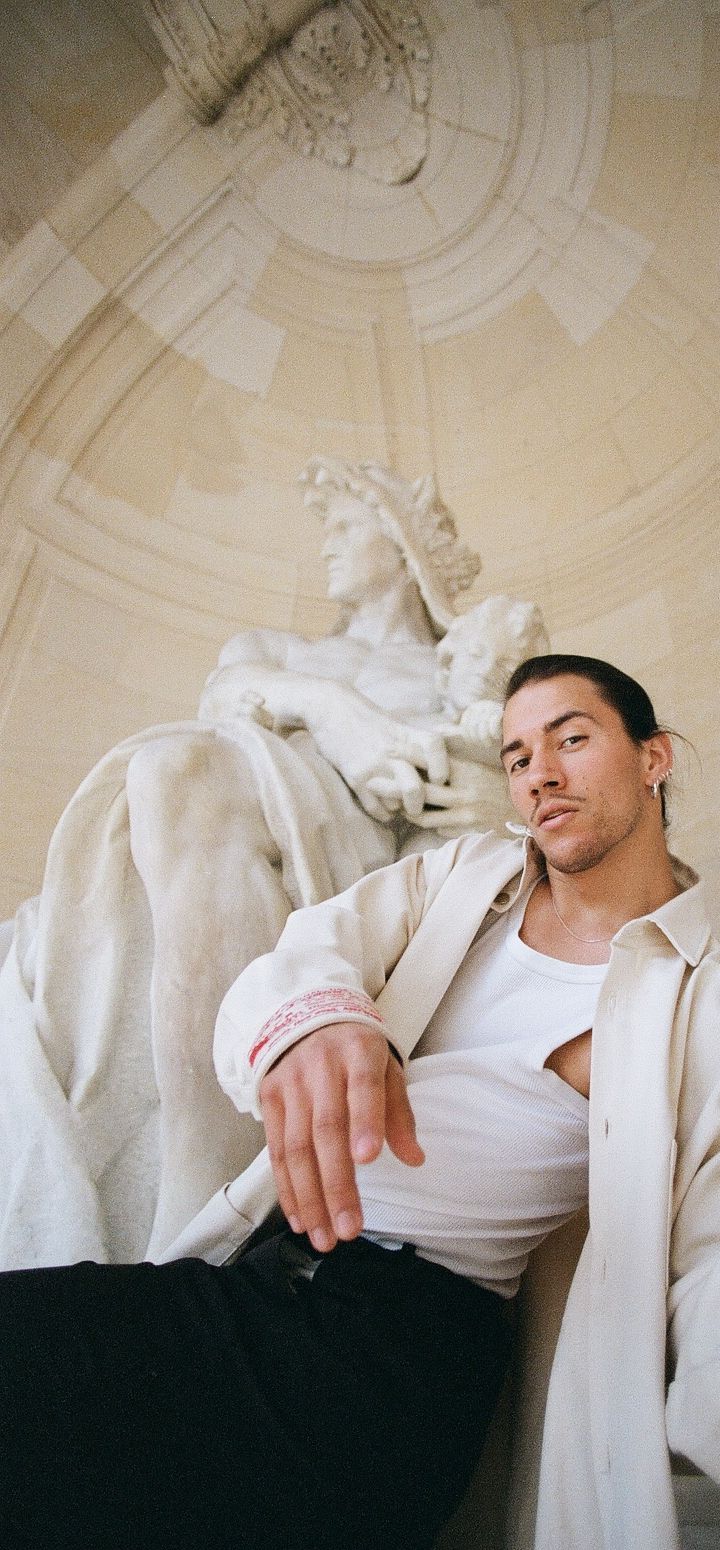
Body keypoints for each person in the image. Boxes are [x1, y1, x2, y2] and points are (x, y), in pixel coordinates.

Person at [0, 655, 720, 1550]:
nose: (536, 768)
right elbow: (308, 952)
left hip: (387, 1359)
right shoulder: (463, 875)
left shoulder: (703, 1005)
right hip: (256, 1279)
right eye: (515, 751)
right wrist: (315, 1022)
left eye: (570, 737)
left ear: (653, 757)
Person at [0, 460, 537, 1264]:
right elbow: (226, 706)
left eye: (346, 529)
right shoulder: (272, 650)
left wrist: (488, 800)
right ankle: (204, 1177)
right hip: (231, 827)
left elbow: (526, 788)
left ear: (399, 544)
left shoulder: (463, 663)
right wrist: (334, 710)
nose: (327, 550)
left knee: (176, 775)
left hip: (364, 878)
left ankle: (204, 1205)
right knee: (172, 773)